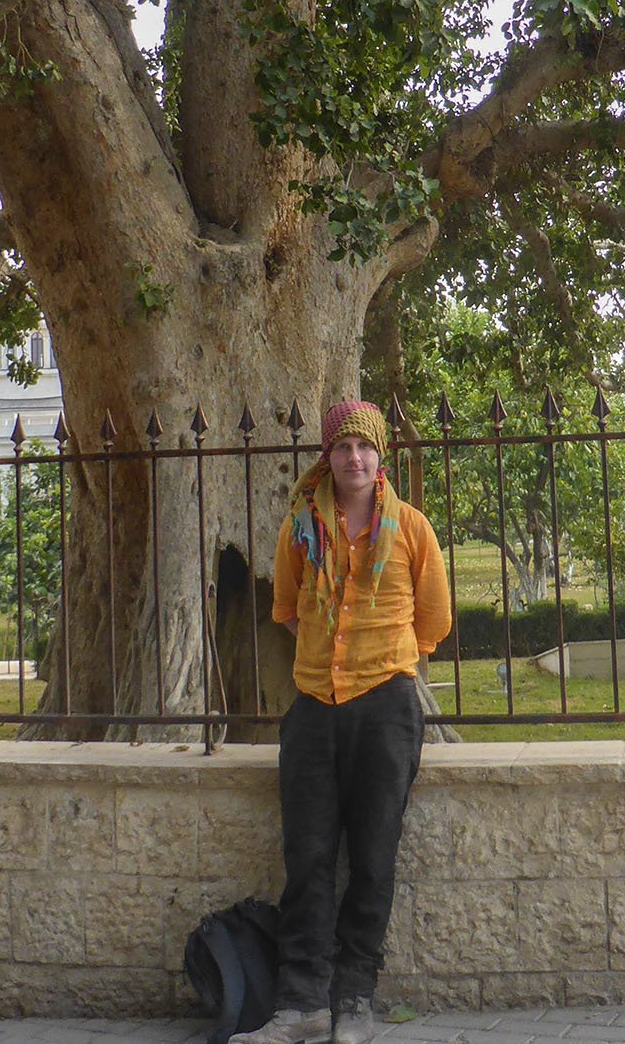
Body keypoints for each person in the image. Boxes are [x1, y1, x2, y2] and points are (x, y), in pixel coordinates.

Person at [233, 399, 452, 1044]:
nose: (354, 459)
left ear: (380, 457)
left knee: (374, 858)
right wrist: (331, 656)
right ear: (326, 457)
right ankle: (301, 1004)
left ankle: (354, 998)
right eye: (342, 448)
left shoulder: (411, 528)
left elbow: (433, 622)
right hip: (313, 710)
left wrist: (376, 657)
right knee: (308, 857)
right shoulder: (301, 526)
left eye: (365, 448)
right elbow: (288, 608)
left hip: (386, 707)